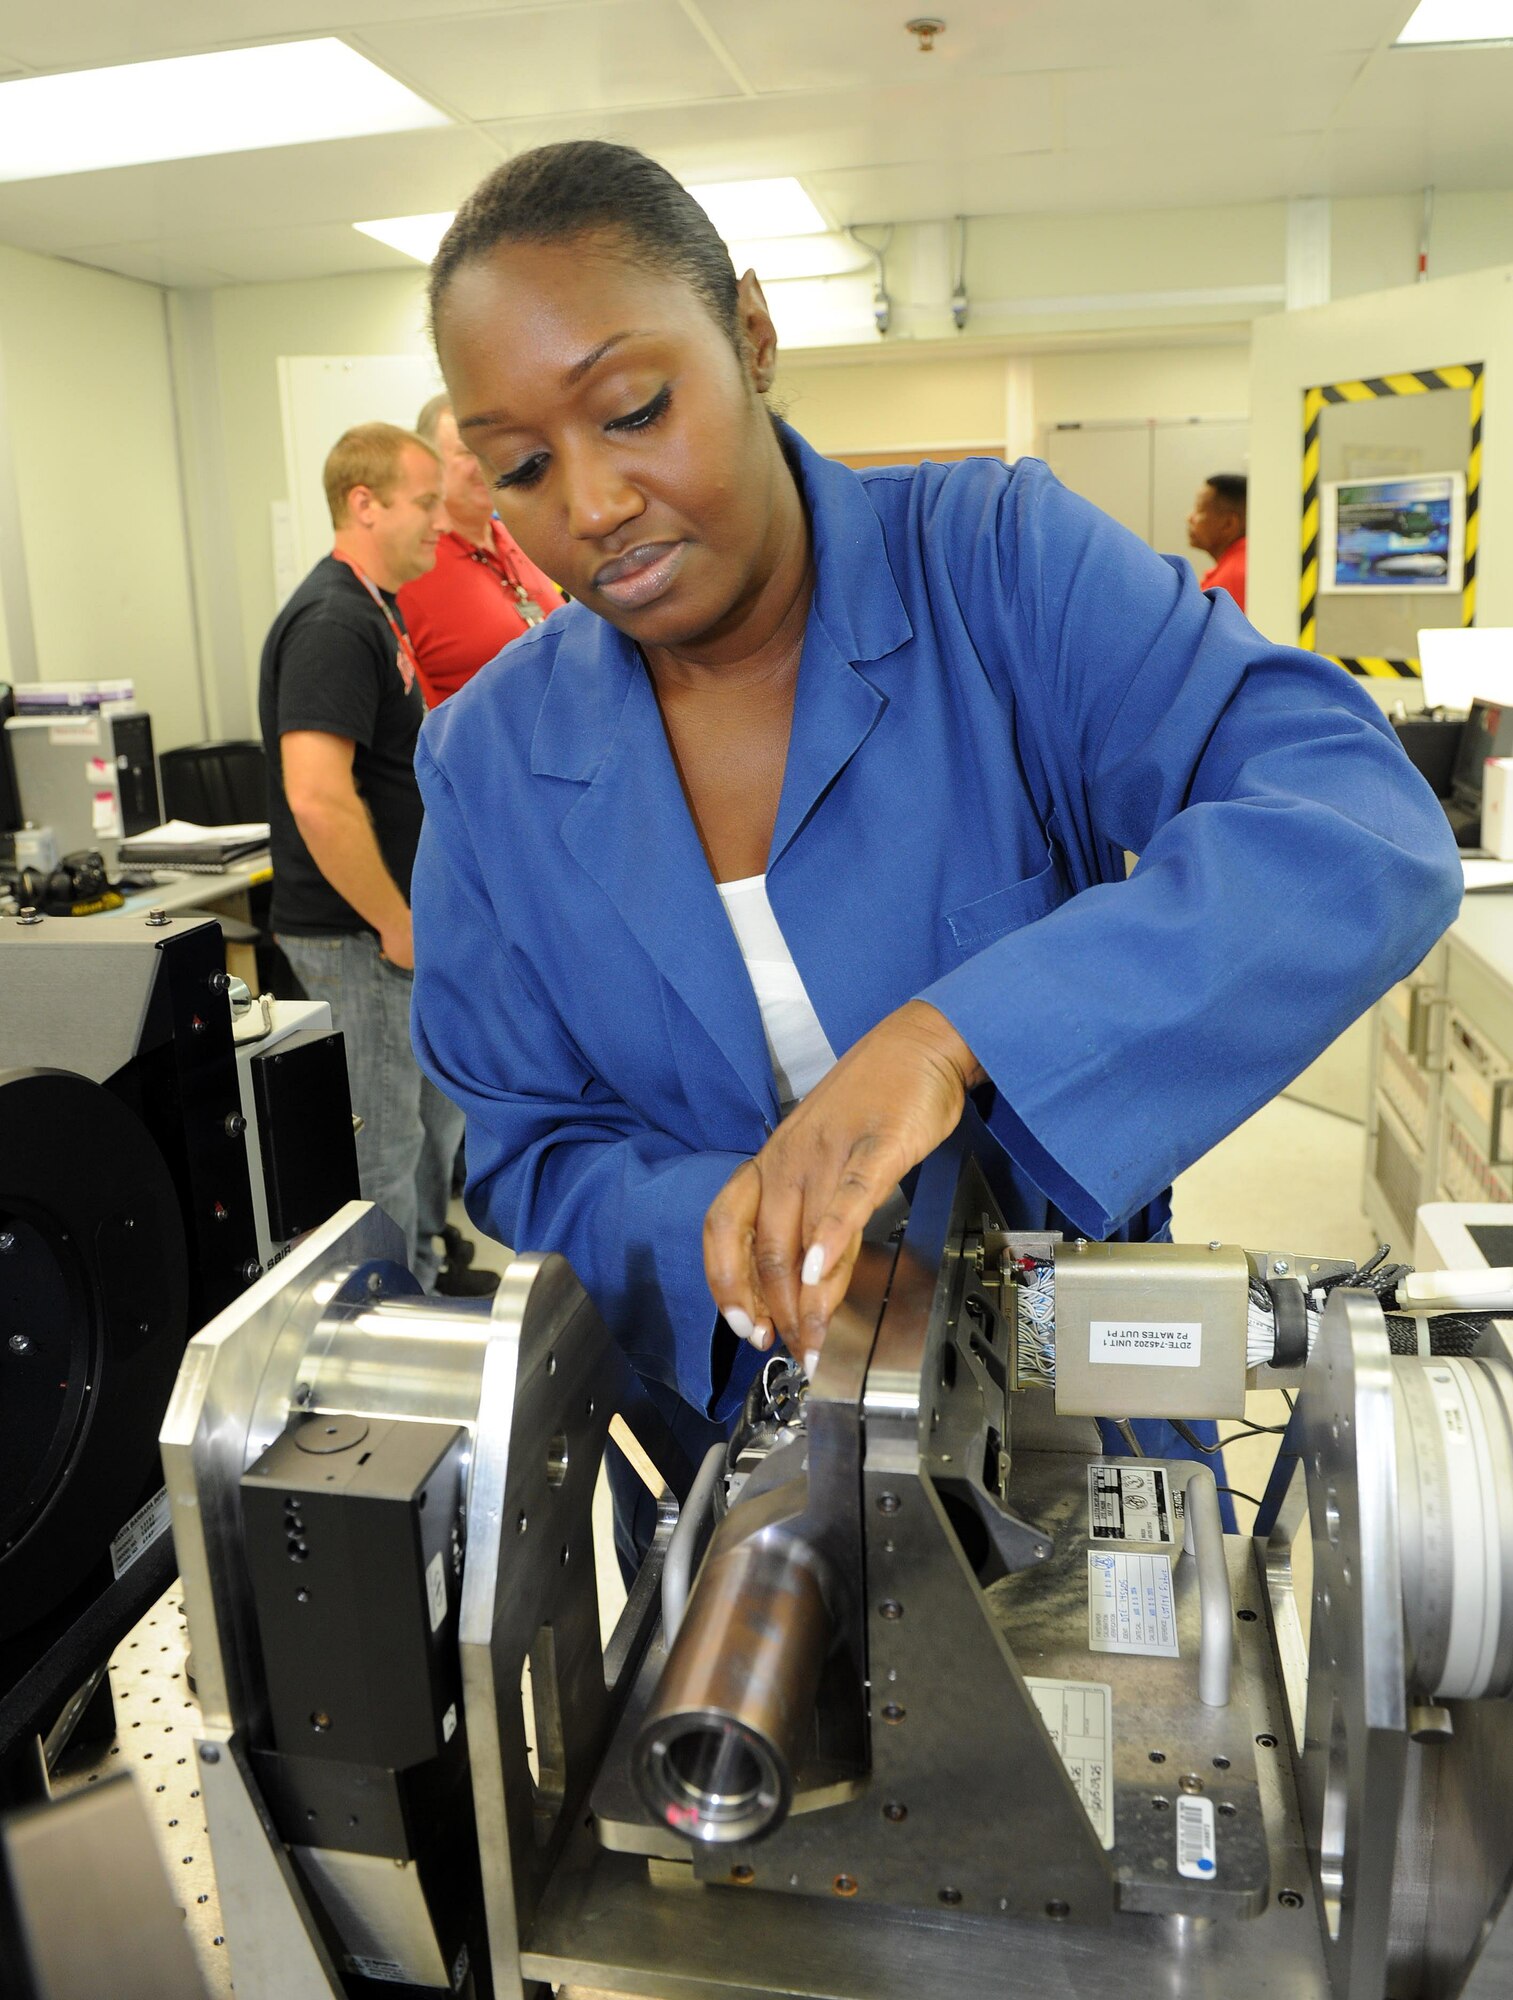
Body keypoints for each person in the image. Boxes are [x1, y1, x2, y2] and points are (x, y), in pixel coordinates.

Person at [409, 143, 1459, 1485]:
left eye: (632, 410)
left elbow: (1354, 816)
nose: (593, 505)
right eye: (519, 469)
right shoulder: (489, 763)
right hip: (737, 1461)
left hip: (1072, 1418)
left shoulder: (994, 571)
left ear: (750, 331)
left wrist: (956, 1033)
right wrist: (720, 1224)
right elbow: (523, 1147)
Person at [259, 420, 496, 1297]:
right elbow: (318, 793)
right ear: (364, 504)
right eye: (425, 502)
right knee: (385, 1147)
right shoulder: (331, 621)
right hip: (359, 938)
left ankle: (426, 1276)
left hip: (397, 928)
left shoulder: (376, 607)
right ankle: (392, 1331)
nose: (442, 520)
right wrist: (394, 919)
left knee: (429, 1130)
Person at [397, 391, 564, 706]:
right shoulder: (410, 568)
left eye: (489, 450)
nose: (484, 465)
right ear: (428, 467)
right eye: (466, 452)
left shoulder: (522, 538)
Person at [1187, 473, 1248, 609]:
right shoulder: (1247, 563)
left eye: (1199, 510)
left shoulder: (1229, 582)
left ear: (1228, 524)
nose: (1189, 518)